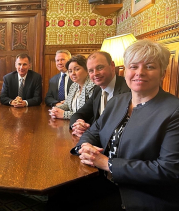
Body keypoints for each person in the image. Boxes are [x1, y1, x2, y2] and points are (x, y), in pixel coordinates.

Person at [71, 40, 179, 210]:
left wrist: (108, 163)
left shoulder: (174, 111)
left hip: (143, 195)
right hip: (102, 182)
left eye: (150, 67)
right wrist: (85, 146)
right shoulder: (118, 101)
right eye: (133, 66)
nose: (140, 73)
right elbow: (94, 131)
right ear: (126, 70)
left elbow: (168, 170)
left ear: (162, 73)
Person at [70, 51, 130, 137]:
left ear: (112, 66)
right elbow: (79, 114)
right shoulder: (97, 90)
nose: (95, 73)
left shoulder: (127, 89)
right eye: (91, 71)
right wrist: (78, 125)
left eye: (100, 67)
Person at [49, 55, 95, 119]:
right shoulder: (74, 85)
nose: (73, 73)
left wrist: (64, 114)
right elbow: (67, 104)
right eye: (70, 71)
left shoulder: (92, 86)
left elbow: (88, 114)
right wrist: (56, 109)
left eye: (77, 69)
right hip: (73, 123)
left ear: (87, 70)